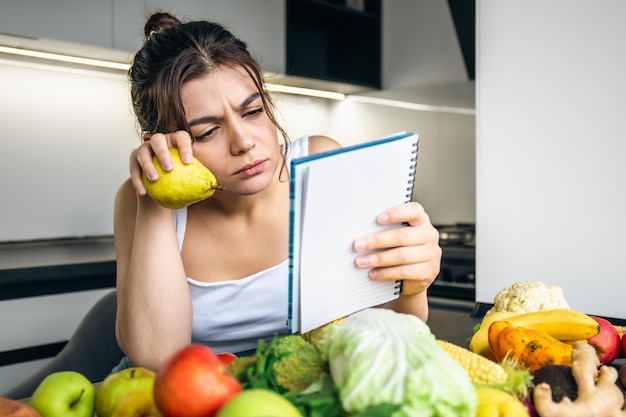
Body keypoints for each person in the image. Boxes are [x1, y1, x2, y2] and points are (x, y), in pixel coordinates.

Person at [112, 12, 442, 372]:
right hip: (196, 396)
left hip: (302, 387)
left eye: (252, 111)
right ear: (163, 145)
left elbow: (390, 331)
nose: (243, 143)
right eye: (207, 133)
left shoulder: (320, 164)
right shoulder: (139, 199)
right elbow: (158, 358)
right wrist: (160, 192)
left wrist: (413, 284)